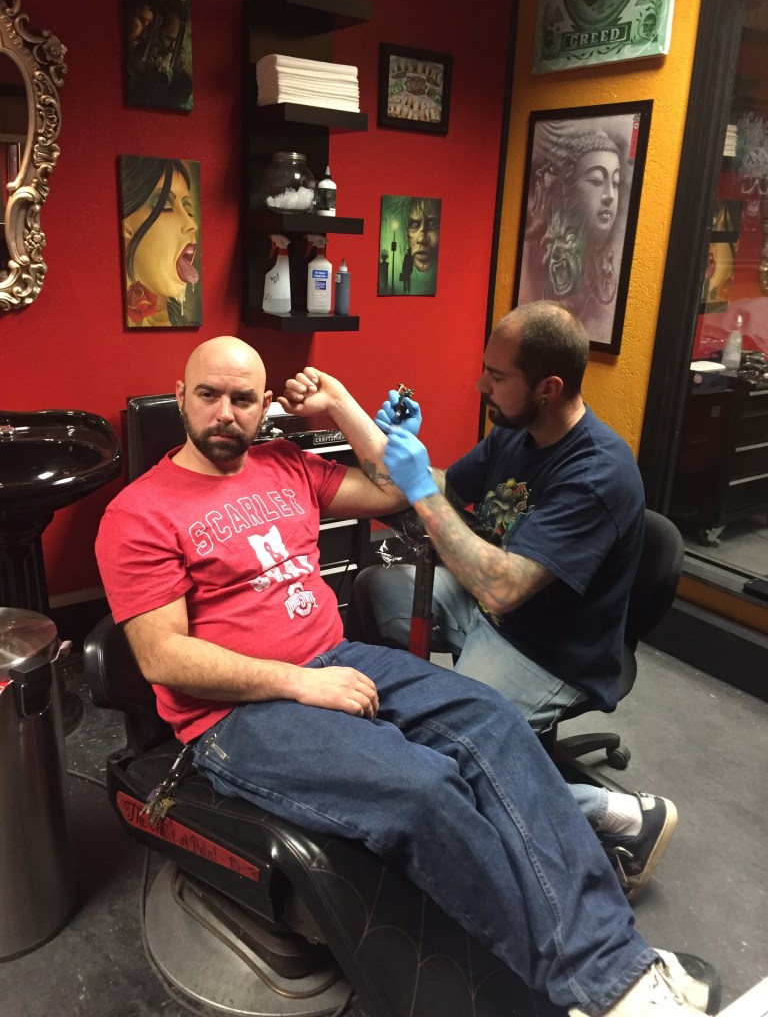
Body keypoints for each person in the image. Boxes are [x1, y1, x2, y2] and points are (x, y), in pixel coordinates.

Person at [95, 336, 712, 1017]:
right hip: (236, 715)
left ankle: (618, 973)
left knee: (494, 723)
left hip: (338, 660)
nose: (224, 413)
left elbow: (396, 489)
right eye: (208, 394)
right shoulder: (140, 512)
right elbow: (163, 657)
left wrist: (341, 406)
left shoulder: (287, 463)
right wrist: (298, 683)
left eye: (243, 399)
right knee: (423, 788)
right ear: (181, 397)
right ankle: (590, 983)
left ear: (264, 406)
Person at [347, 300, 676, 900]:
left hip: (551, 649)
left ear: (548, 388)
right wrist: (402, 450)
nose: (481, 386)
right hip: (490, 609)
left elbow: (501, 586)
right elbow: (448, 491)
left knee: (439, 764)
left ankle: (624, 815)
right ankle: (430, 725)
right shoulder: (517, 433)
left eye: (497, 376)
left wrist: (417, 486)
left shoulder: (598, 473)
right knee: (376, 586)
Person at [521, 130, 622, 343]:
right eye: (596, 180)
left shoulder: (601, 271)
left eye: (615, 183)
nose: (609, 196)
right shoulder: (539, 257)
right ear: (566, 190)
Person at [121, 155, 200, 328]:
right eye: (165, 206)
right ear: (126, 226)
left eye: (189, 211)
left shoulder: (181, 321)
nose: (191, 224)